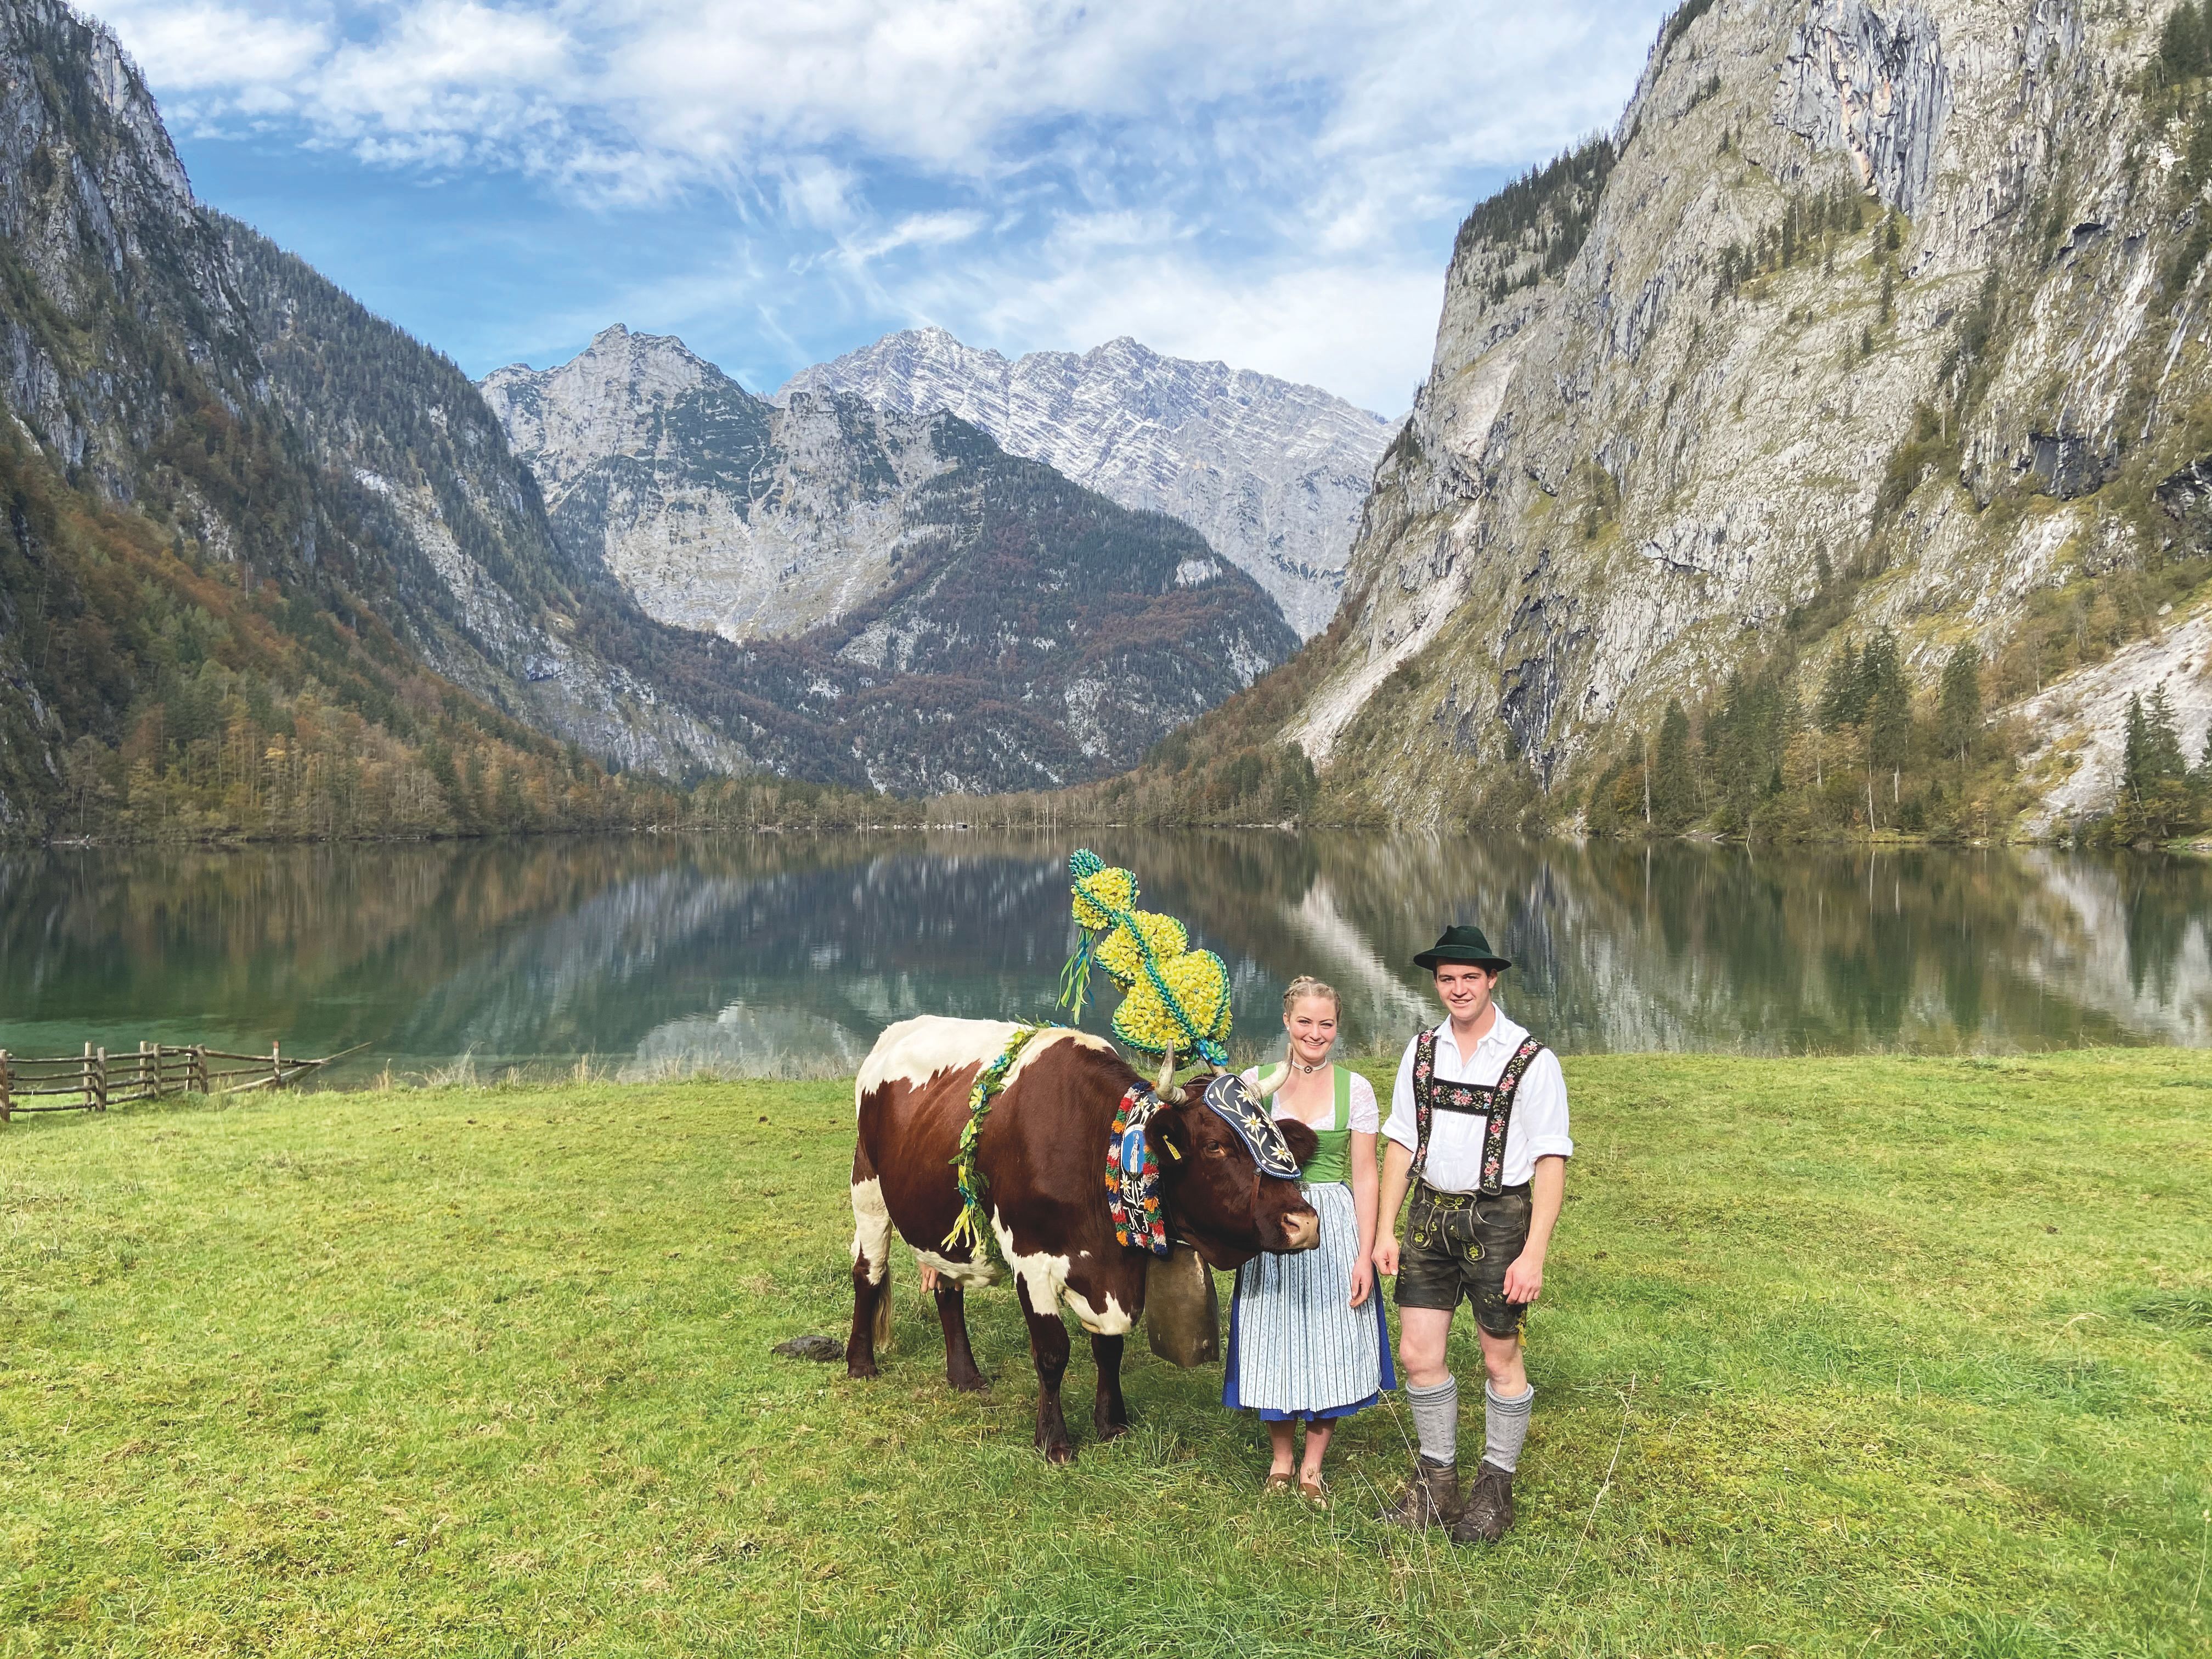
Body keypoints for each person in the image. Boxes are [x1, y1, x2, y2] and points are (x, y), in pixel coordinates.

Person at [1373, 924, 1571, 1543]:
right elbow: (1402, 1140)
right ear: (1437, 983)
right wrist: (1385, 1228)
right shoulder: (1422, 1050)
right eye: (1447, 979)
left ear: (1492, 980)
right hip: (1429, 1217)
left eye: (1469, 978)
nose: (1458, 989)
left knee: (1498, 1355)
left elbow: (1550, 1161)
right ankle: (1437, 1485)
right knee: (1418, 1355)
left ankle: (1495, 1488)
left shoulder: (1531, 1060)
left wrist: (1534, 1252)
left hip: (1500, 1218)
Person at [1222, 976, 1395, 1503]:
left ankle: (1312, 1470)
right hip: (1272, 1221)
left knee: (1330, 1340)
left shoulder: (1356, 1088)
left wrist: (1364, 1252)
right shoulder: (1253, 1082)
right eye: (1305, 1022)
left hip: (1334, 1224)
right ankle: (1280, 1460)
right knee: (1274, 1331)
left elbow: (1366, 1175)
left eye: (1326, 1024)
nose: (1315, 1034)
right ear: (1286, 1023)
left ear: (1337, 1027)